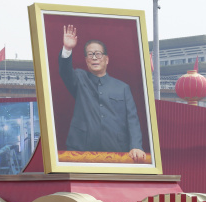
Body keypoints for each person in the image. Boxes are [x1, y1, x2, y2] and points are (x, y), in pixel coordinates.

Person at [58, 24, 146, 163]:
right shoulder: (80, 78)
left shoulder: (122, 88)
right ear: (86, 61)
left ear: (106, 59)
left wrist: (136, 146)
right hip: (81, 150)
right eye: (90, 54)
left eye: (98, 54)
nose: (94, 57)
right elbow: (65, 72)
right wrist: (67, 49)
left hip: (116, 151)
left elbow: (132, 120)